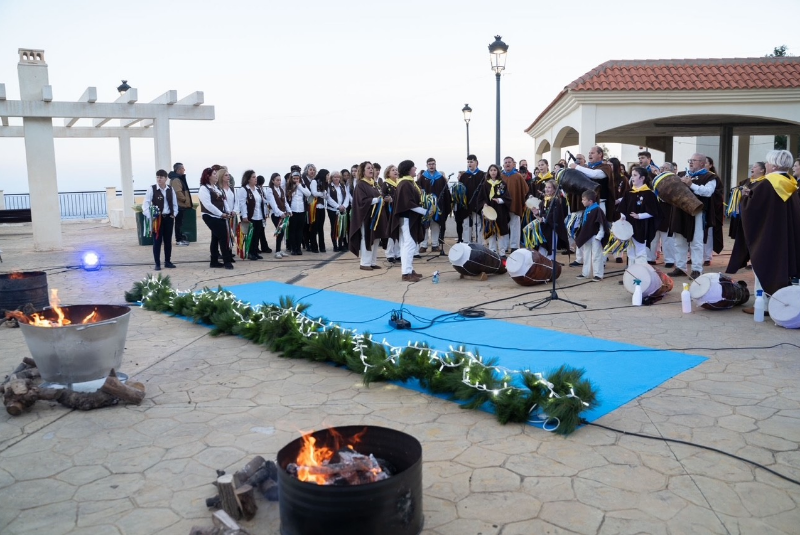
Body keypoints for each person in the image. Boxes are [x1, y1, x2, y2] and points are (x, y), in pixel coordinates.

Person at [727, 149, 800, 313]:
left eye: (767, 162)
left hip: (766, 235)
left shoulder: (766, 184)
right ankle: (781, 303)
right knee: (781, 268)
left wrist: (746, 197)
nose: (766, 165)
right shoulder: (791, 182)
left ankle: (763, 305)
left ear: (773, 165)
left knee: (762, 267)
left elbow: (752, 210)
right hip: (784, 233)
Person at [668, 153, 722, 278]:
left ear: (702, 163)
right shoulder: (681, 174)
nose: (690, 162)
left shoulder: (710, 177)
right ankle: (680, 268)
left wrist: (691, 184)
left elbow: (708, 192)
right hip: (680, 211)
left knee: (696, 242)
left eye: (694, 160)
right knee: (679, 240)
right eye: (690, 160)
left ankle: (697, 269)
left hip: (697, 212)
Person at [349, 161, 390, 270]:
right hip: (366, 216)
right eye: (368, 168)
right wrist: (377, 200)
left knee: (375, 238)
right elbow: (361, 201)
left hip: (376, 216)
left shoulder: (374, 184)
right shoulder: (361, 184)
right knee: (366, 238)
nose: (371, 170)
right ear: (363, 171)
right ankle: (365, 263)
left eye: (372, 168)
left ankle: (372, 262)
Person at [392, 160, 427, 282]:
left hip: (408, 218)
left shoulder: (407, 183)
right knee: (409, 245)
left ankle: (409, 269)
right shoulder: (405, 184)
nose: (415, 168)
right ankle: (406, 273)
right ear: (408, 170)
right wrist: (424, 211)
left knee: (406, 245)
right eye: (413, 167)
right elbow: (408, 203)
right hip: (407, 219)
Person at [617, 167, 659, 265]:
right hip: (629, 225)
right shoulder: (629, 192)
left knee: (640, 249)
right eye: (632, 175)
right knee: (630, 251)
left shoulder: (649, 194)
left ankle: (640, 274)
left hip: (641, 226)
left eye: (635, 175)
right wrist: (622, 216)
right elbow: (623, 207)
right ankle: (631, 273)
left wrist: (639, 216)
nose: (632, 178)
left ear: (642, 178)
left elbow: (653, 211)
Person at [142, 169, 178, 271]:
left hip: (168, 218)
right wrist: (151, 216)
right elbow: (145, 204)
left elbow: (175, 204)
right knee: (157, 241)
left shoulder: (170, 189)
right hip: (157, 219)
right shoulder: (152, 189)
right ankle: (157, 263)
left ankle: (168, 261)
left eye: (161, 177)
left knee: (168, 241)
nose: (159, 179)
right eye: (157, 177)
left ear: (166, 178)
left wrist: (174, 214)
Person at [569, 145, 618, 220]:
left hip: (599, 205)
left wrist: (577, 167)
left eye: (592, 153)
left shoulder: (606, 167)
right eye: (589, 153)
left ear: (600, 154)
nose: (589, 155)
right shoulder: (587, 168)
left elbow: (594, 174)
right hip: (585, 205)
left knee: (598, 229)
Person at [199, 167, 233, 269]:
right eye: (214, 174)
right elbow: (208, 205)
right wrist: (221, 214)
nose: (216, 176)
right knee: (223, 237)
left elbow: (224, 201)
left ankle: (214, 261)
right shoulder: (204, 189)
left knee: (215, 238)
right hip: (210, 216)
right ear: (208, 176)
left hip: (220, 216)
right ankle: (227, 261)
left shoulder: (217, 188)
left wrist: (227, 211)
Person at [417, 158, 450, 253]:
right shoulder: (423, 178)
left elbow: (446, 192)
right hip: (426, 206)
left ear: (436, 165)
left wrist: (445, 204)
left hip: (438, 206)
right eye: (430, 164)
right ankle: (424, 245)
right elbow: (418, 190)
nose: (432, 166)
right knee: (425, 225)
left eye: (433, 164)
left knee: (435, 225)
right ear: (426, 165)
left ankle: (435, 244)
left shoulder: (440, 177)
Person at [575, 190, 608, 281]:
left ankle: (598, 274)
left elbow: (601, 223)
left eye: (584, 200)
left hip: (595, 236)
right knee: (586, 255)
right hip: (587, 236)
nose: (582, 201)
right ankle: (585, 273)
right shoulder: (586, 210)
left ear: (590, 201)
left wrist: (599, 235)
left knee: (596, 255)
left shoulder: (597, 210)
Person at [480, 164, 510, 258]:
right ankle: (492, 251)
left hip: (500, 210)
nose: (493, 172)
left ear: (498, 172)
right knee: (491, 231)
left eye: (495, 170)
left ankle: (502, 252)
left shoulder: (502, 184)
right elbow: (481, 197)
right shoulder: (485, 184)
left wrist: (500, 200)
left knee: (500, 232)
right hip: (489, 211)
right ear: (488, 172)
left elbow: (507, 197)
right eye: (491, 170)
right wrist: (484, 203)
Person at [649, 163, 676, 268]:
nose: (662, 170)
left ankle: (670, 260)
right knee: (653, 237)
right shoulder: (656, 180)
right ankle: (650, 258)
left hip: (668, 211)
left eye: (665, 168)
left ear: (672, 171)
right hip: (655, 212)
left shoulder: (674, 181)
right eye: (661, 168)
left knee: (667, 238)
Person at [533, 179, 568, 259]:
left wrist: (543, 218)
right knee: (542, 248)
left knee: (550, 247)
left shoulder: (555, 201)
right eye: (546, 187)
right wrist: (537, 213)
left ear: (554, 190)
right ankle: (544, 265)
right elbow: (543, 211)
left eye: (549, 187)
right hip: (545, 228)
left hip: (551, 228)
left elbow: (554, 215)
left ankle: (550, 266)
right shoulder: (545, 200)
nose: (547, 189)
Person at [455, 155, 484, 244]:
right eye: (468, 162)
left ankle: (479, 243)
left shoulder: (482, 175)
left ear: (476, 162)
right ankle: (467, 243)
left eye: (471, 162)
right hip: (466, 203)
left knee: (478, 223)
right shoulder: (464, 176)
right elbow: (460, 190)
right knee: (466, 223)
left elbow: (484, 190)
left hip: (477, 204)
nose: (469, 164)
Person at [502, 156, 528, 252]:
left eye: (509, 162)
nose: (508, 164)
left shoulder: (518, 176)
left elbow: (525, 190)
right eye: (506, 162)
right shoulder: (501, 176)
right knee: (503, 226)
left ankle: (514, 246)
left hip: (515, 204)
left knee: (515, 226)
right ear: (503, 165)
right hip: (503, 206)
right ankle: (503, 247)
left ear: (513, 164)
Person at [239, 170, 265, 261]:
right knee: (251, 235)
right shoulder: (244, 189)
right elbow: (242, 204)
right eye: (253, 177)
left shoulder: (257, 189)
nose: (256, 179)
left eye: (255, 177)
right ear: (248, 179)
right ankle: (250, 252)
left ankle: (255, 252)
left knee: (257, 234)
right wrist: (245, 216)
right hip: (250, 216)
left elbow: (261, 202)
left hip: (259, 215)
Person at [609, 157, 630, 264]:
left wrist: (618, 200)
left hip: (618, 208)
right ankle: (606, 252)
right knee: (607, 230)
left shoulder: (623, 179)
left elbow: (627, 194)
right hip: (607, 208)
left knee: (618, 232)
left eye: (611, 165)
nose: (609, 167)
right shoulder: (605, 177)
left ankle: (618, 254)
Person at [286, 171, 311, 256]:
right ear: (291, 179)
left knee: (300, 230)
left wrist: (299, 186)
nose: (296, 180)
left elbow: (308, 193)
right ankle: (293, 248)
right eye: (294, 178)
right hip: (292, 211)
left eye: (297, 178)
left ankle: (298, 248)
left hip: (301, 210)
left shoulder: (302, 186)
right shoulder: (288, 186)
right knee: (292, 230)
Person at [265, 172, 288, 258]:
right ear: (273, 181)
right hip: (275, 214)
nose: (279, 181)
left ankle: (279, 249)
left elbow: (285, 202)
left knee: (282, 232)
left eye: (280, 180)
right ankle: (277, 251)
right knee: (279, 231)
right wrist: (280, 213)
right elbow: (273, 204)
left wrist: (289, 210)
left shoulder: (281, 189)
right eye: (277, 180)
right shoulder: (270, 190)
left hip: (282, 214)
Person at [326, 170, 350, 253]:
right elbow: (328, 198)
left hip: (342, 209)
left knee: (342, 227)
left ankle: (340, 245)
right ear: (331, 178)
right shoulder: (329, 186)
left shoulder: (342, 186)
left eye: (338, 177)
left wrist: (344, 205)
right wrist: (337, 206)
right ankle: (335, 245)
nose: (336, 178)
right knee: (334, 227)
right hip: (333, 210)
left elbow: (347, 196)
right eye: (334, 177)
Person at [382, 165, 401, 262]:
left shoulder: (399, 183)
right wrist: (388, 199)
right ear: (388, 173)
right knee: (391, 232)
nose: (395, 171)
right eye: (393, 170)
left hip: (398, 211)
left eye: (396, 170)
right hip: (389, 211)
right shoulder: (386, 184)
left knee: (398, 232)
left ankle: (397, 253)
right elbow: (383, 196)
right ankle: (389, 253)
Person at [169, 162, 192, 246]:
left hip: (180, 205)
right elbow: (177, 192)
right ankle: (178, 239)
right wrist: (185, 200)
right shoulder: (176, 180)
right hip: (179, 205)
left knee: (180, 223)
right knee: (178, 223)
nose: (184, 170)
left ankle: (180, 238)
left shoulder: (177, 178)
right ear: (178, 170)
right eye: (182, 168)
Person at [219, 168, 238, 262]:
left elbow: (236, 201)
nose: (228, 177)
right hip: (224, 216)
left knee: (231, 235)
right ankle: (226, 255)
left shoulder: (231, 188)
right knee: (225, 236)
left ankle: (230, 254)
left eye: (228, 175)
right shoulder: (219, 189)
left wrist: (234, 210)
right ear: (221, 177)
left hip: (232, 215)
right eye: (226, 175)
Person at [308, 168, 329, 253]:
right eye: (327, 175)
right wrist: (323, 194)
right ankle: (314, 246)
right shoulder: (314, 182)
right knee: (314, 227)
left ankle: (322, 246)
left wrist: (323, 194)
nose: (328, 177)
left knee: (321, 227)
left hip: (321, 207)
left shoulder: (325, 183)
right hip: (314, 207)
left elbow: (327, 195)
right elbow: (314, 193)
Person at [301, 164, 317, 252]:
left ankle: (309, 242)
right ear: (306, 170)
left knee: (313, 225)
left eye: (314, 170)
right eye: (310, 170)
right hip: (306, 205)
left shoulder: (315, 180)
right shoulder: (303, 180)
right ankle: (306, 243)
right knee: (306, 225)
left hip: (314, 205)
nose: (312, 171)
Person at [255, 175, 273, 254]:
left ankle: (263, 246)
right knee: (260, 231)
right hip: (261, 212)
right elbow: (263, 200)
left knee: (262, 230)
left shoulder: (261, 189)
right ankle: (262, 246)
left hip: (263, 212)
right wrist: (269, 202)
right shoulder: (258, 189)